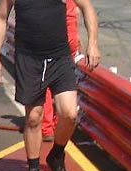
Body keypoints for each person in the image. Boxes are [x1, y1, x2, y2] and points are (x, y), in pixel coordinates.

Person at [0, 0, 100, 171]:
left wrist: (93, 43)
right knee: (34, 118)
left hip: (60, 58)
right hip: (28, 60)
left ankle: (56, 155)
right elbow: (0, 18)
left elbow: (87, 8)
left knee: (69, 114)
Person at [42, 0, 81, 142]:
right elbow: (76, 12)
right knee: (64, 84)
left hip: (53, 39)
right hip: (69, 37)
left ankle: (47, 128)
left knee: (45, 83)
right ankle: (57, 124)